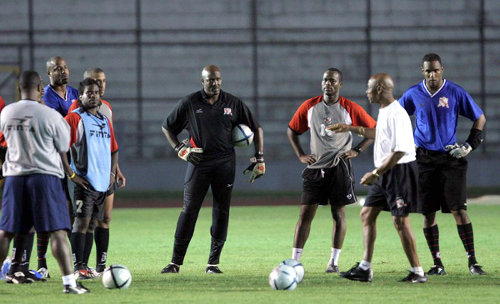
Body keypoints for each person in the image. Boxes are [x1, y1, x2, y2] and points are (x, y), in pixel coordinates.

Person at [160, 65, 265, 274]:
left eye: (218, 79)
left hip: (225, 164)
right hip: (198, 162)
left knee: (221, 211)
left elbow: (256, 128)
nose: (215, 83)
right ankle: (175, 263)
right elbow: (167, 126)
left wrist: (259, 157)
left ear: (221, 80)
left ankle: (213, 263)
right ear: (202, 81)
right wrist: (179, 148)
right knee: (188, 211)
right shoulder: (190, 103)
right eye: (210, 80)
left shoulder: (233, 103)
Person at [330, 73, 427, 283]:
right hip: (385, 172)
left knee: (400, 221)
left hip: (399, 172)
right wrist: (349, 128)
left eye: (369, 87)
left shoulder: (397, 113)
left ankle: (418, 272)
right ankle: (365, 268)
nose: (367, 92)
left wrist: (375, 173)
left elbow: (399, 151)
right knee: (367, 214)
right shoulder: (384, 111)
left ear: (380, 89)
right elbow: (379, 134)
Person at [0, 70, 88, 293]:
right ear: (41, 88)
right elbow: (64, 145)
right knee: (57, 231)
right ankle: (69, 284)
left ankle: (12, 270)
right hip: (44, 177)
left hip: (14, 177)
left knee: (6, 232)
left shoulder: (7, 112)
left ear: (19, 88)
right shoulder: (50, 115)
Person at [399, 53, 487, 275]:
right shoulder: (413, 94)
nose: (432, 74)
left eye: (436, 70)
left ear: (442, 70)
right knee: (428, 213)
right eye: (428, 70)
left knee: (459, 210)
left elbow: (480, 117)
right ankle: (437, 264)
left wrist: (469, 145)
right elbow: (397, 119)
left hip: (450, 159)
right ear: (422, 71)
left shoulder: (455, 92)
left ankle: (473, 262)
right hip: (423, 161)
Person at [287, 68, 376, 273]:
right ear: (322, 83)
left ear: (340, 85)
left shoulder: (349, 108)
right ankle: (294, 261)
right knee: (305, 215)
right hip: (314, 168)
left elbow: (372, 130)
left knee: (338, 214)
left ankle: (333, 262)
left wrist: (357, 150)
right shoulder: (310, 106)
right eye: (325, 80)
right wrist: (301, 154)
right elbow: (292, 130)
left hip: (339, 167)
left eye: (333, 81)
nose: (328, 84)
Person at [68, 68, 126, 274]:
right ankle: (78, 266)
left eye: (96, 92)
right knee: (80, 222)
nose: (94, 95)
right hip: (84, 180)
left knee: (93, 223)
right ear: (81, 96)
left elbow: (114, 149)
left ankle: (87, 266)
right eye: (89, 93)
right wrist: (72, 174)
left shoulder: (104, 119)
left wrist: (112, 173)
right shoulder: (74, 117)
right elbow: (59, 147)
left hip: (103, 181)